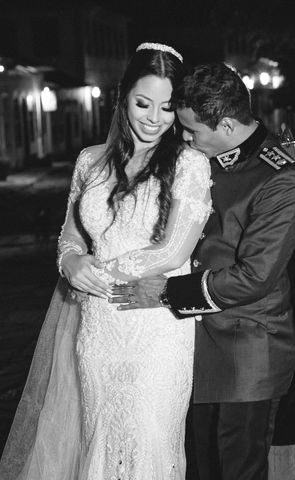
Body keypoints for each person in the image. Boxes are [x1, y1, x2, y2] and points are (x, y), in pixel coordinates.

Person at [0, 43, 212, 479]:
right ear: (122, 98)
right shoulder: (90, 161)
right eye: (142, 103)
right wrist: (71, 263)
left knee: (150, 439)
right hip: (97, 325)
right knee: (99, 434)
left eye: (168, 107)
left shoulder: (190, 163)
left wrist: (103, 273)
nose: (154, 117)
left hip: (154, 322)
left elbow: (175, 251)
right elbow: (72, 235)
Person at [110, 62, 295, 480]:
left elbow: (255, 277)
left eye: (192, 130)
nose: (183, 137)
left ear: (228, 125)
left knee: (234, 471)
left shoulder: (280, 178)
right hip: (189, 343)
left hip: (245, 351)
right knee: (197, 467)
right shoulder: (201, 154)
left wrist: (165, 293)